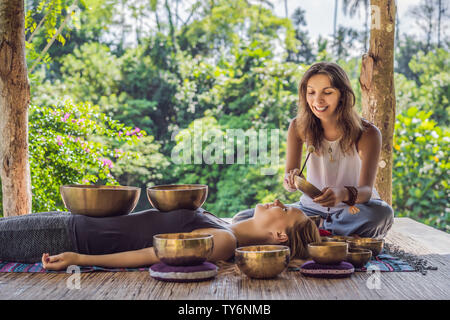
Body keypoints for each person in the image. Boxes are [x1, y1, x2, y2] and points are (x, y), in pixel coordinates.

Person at [232, 62, 394, 238]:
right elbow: (289, 181)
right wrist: (291, 180)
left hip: (352, 211)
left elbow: (365, 192)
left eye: (327, 92)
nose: (317, 101)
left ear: (343, 95)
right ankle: (324, 235)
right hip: (309, 211)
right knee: (243, 218)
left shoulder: (368, 133)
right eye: (311, 93)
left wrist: (342, 194)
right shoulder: (298, 126)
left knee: (381, 214)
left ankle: (309, 235)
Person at [0, 199, 320, 271]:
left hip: (72, 237)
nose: (280, 202)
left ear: (279, 235)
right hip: (71, 220)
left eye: (288, 209)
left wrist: (81, 259)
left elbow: (154, 254)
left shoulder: (225, 242)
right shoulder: (228, 223)